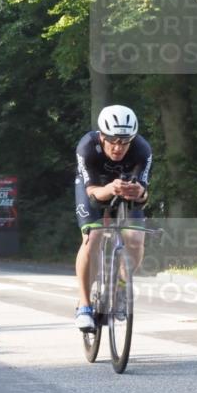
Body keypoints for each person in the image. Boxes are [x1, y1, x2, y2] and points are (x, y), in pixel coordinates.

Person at [74, 105, 152, 331]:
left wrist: (140, 192)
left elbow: (144, 194)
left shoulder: (142, 149)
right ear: (102, 136)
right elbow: (93, 194)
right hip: (94, 188)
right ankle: (84, 305)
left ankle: (121, 287)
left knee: (135, 239)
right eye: (113, 141)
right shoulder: (87, 147)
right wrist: (109, 188)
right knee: (93, 237)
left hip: (125, 189)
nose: (118, 147)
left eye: (125, 142)